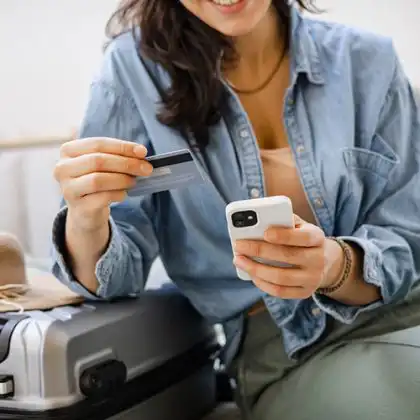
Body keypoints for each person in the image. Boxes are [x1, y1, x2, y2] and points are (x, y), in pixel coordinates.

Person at [51, 0, 420, 418]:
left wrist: (336, 267)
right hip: (284, 352)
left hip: (405, 310)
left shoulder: (368, 60)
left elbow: (409, 233)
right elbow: (115, 278)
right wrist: (85, 219)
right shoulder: (133, 73)